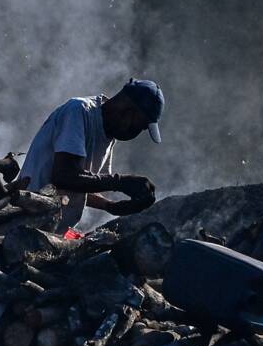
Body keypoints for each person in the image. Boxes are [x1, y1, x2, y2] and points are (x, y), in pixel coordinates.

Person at [17, 78, 164, 233]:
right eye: (139, 126)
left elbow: (82, 184)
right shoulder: (78, 111)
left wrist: (109, 206)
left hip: (50, 232)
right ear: (128, 111)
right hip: (25, 226)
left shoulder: (108, 134)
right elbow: (64, 176)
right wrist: (120, 182)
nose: (137, 132)